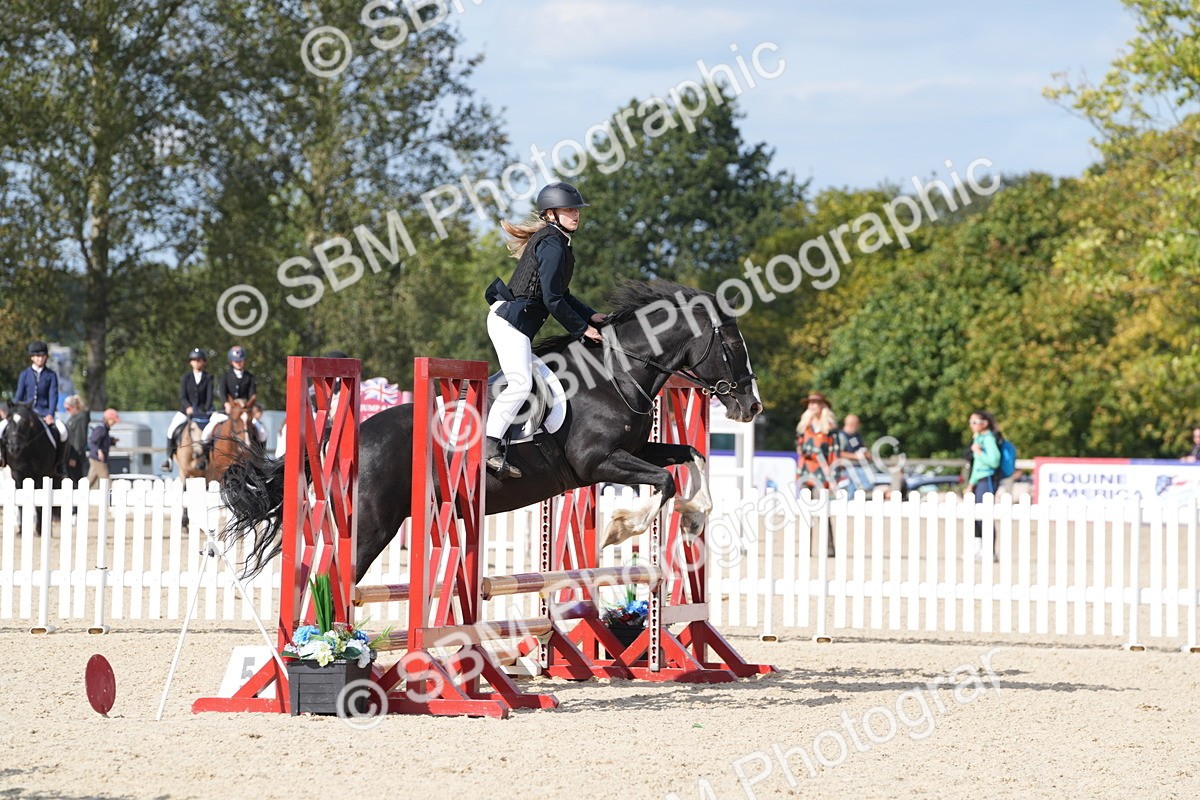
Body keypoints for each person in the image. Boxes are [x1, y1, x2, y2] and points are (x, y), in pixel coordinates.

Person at [482, 181, 606, 478]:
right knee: (521, 384)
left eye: (576, 210)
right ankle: (489, 446)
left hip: (517, 325)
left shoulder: (558, 242)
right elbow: (552, 300)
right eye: (568, 209)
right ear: (551, 213)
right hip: (509, 324)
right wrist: (582, 330)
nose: (576, 214)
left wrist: (592, 316)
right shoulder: (552, 243)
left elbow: (563, 294)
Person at [0, 341, 69, 472]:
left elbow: (53, 395)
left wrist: (50, 414)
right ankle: (2, 457)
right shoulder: (24, 374)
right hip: (25, 412)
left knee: (62, 430)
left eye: (42, 356)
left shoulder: (51, 375)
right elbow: (19, 395)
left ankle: (60, 464)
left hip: (44, 413)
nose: (40, 358)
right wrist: (13, 411)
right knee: (1, 427)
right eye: (37, 356)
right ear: (32, 357)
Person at [161, 348, 214, 471]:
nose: (196, 362)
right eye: (194, 360)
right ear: (191, 362)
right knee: (171, 430)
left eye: (199, 360)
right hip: (186, 411)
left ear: (204, 362)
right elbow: (183, 396)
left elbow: (209, 397)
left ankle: (210, 458)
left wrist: (204, 410)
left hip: (203, 413)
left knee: (213, 432)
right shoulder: (186, 377)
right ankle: (168, 459)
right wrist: (188, 407)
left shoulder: (209, 377)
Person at [202, 345, 259, 444]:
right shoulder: (226, 376)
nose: (238, 363)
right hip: (227, 411)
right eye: (236, 361)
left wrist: (247, 405)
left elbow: (252, 394)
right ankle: (207, 457)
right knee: (206, 433)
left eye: (240, 361)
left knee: (262, 433)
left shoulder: (250, 377)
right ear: (231, 362)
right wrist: (226, 403)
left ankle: (260, 456)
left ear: (244, 361)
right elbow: (223, 392)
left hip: (243, 411)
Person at [967, 410, 1002, 558]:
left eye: (975, 422)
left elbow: (994, 461)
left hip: (987, 479)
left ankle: (990, 550)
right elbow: (976, 466)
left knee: (985, 514)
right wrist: (970, 484)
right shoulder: (979, 439)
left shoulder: (988, 439)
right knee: (976, 514)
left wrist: (979, 452)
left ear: (984, 423)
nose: (972, 425)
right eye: (971, 422)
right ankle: (978, 548)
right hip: (979, 480)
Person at [795, 392, 841, 493]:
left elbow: (835, 454)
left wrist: (834, 477)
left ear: (822, 405)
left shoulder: (830, 429)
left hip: (823, 472)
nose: (811, 405)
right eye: (810, 403)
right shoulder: (805, 426)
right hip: (805, 470)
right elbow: (799, 445)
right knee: (804, 500)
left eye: (815, 403)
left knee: (820, 502)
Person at [837, 413, 872, 494]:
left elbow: (863, 448)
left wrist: (867, 455)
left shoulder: (857, 435)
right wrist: (855, 456)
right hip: (846, 469)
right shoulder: (841, 436)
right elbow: (839, 453)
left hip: (860, 467)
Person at [88, 408, 120, 487]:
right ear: (108, 419)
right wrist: (98, 451)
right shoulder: (100, 428)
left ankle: (82, 494)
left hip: (98, 458)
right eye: (113, 420)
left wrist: (112, 440)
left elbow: (103, 441)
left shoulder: (104, 429)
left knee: (92, 480)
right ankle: (110, 496)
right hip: (98, 458)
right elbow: (93, 442)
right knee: (106, 480)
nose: (114, 423)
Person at [63, 395, 90, 484]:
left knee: (75, 479)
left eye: (68, 409)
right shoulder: (73, 418)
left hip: (75, 455)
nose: (67, 412)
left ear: (74, 407)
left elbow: (79, 438)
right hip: (69, 453)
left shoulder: (81, 418)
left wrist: (73, 457)